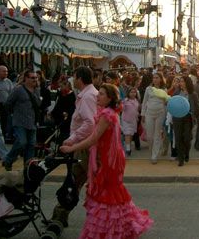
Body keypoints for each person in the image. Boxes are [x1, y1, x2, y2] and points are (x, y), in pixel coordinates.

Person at [59, 84, 153, 238]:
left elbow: (93, 138)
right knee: (111, 195)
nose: (98, 96)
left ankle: (108, 230)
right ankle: (118, 228)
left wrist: (72, 147)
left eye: (101, 94)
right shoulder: (109, 112)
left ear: (109, 98)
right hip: (108, 159)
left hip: (107, 161)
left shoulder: (107, 115)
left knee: (106, 196)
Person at [51, 66, 98, 229]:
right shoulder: (87, 95)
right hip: (84, 145)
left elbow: (89, 123)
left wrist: (72, 139)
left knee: (73, 182)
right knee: (76, 183)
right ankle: (60, 215)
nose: (72, 79)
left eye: (74, 76)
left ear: (79, 78)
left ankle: (59, 215)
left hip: (84, 147)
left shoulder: (87, 96)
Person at [2, 70, 41, 171]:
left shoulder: (37, 90)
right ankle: (8, 160)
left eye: (36, 78)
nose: (35, 80)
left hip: (32, 122)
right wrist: (13, 113)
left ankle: (28, 167)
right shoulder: (19, 90)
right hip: (20, 121)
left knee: (31, 145)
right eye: (32, 78)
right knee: (21, 142)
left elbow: (38, 105)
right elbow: (8, 103)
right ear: (26, 79)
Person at [140, 73, 170, 164]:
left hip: (160, 113)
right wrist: (143, 114)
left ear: (161, 79)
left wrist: (166, 100)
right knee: (149, 136)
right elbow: (144, 102)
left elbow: (165, 102)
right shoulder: (148, 89)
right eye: (154, 78)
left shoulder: (164, 89)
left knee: (157, 134)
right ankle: (152, 151)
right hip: (149, 113)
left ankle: (154, 155)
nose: (155, 79)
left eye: (157, 78)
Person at [172, 76, 199, 166]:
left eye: (183, 81)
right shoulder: (177, 92)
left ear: (187, 83)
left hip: (188, 117)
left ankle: (186, 152)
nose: (181, 83)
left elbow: (197, 106)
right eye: (180, 81)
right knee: (178, 138)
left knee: (187, 138)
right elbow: (172, 103)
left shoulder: (193, 94)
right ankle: (181, 158)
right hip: (177, 117)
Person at [51, 77, 76, 145]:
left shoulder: (71, 96)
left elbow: (72, 108)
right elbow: (57, 107)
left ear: (66, 85)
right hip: (60, 119)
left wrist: (66, 113)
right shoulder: (60, 94)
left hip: (67, 121)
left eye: (61, 86)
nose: (60, 88)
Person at [122, 86, 141, 156]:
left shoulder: (137, 101)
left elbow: (137, 110)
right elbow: (122, 109)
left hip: (134, 120)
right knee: (127, 133)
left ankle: (128, 145)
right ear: (128, 93)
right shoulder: (125, 100)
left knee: (131, 134)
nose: (133, 94)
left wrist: (138, 116)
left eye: (134, 92)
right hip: (126, 120)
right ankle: (128, 149)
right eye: (131, 92)